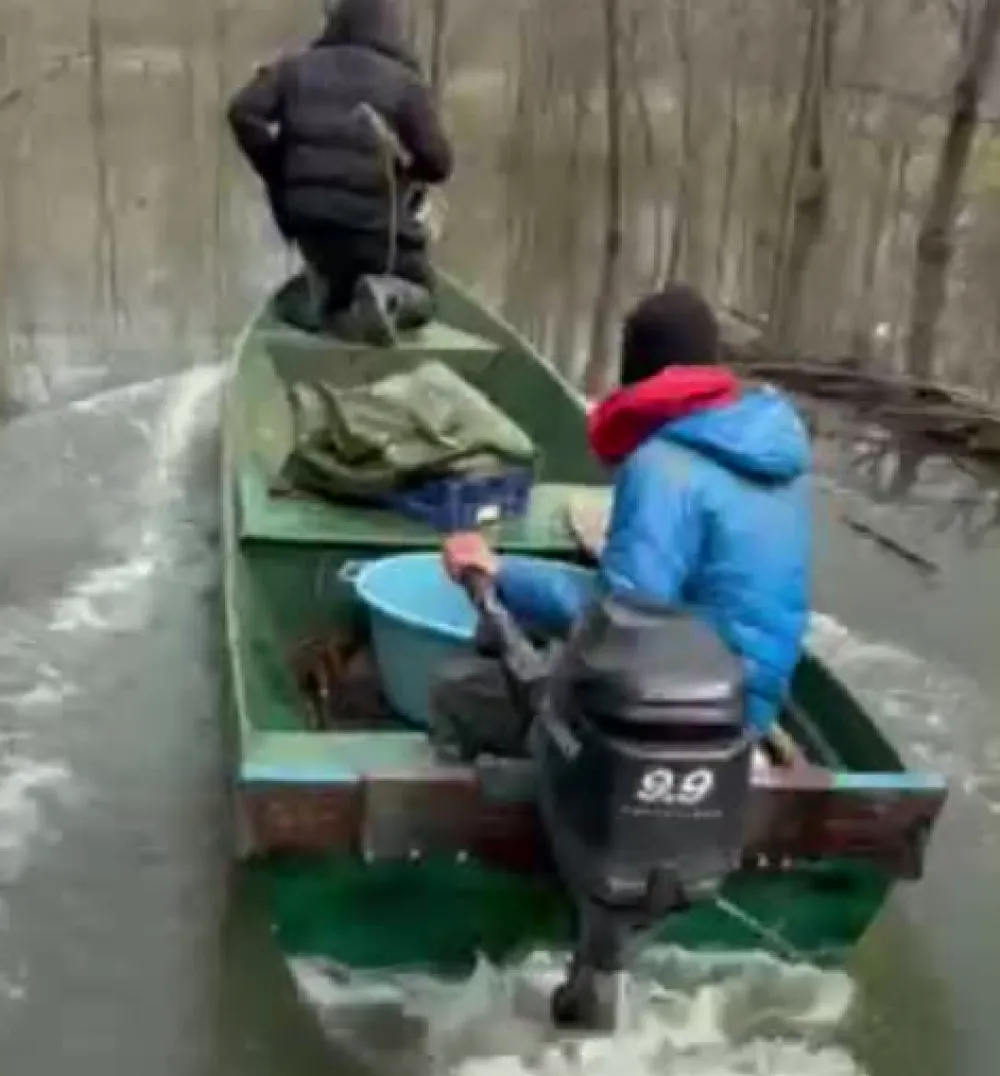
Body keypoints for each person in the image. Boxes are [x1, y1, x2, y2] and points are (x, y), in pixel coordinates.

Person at [433, 283, 812, 762]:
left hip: (671, 723)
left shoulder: (660, 465)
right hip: (745, 707)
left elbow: (622, 623)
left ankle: (484, 829)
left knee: (456, 691)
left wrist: (500, 571)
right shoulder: (777, 457)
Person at [226, 0, 454, 339]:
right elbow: (439, 164)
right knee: (425, 298)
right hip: (374, 226)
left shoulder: (294, 69)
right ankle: (387, 296)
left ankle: (335, 305)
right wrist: (405, 175)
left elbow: (243, 112)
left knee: (334, 290)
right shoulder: (404, 82)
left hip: (307, 222)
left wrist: (279, 169)